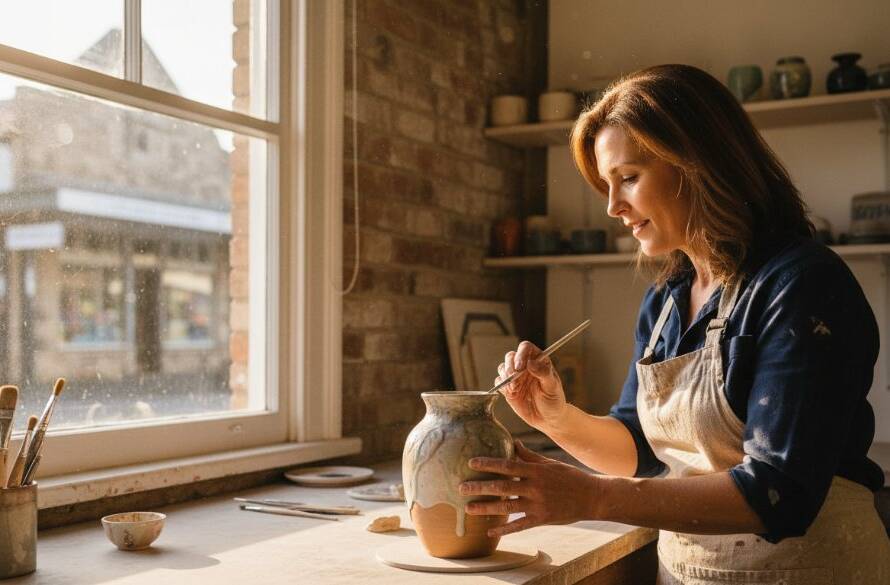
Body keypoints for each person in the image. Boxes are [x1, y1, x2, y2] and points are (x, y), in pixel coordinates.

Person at [460, 64, 890, 583]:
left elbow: (780, 492)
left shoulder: (802, 286)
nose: (614, 206)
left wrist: (591, 495)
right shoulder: (667, 300)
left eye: (628, 178)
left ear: (697, 163)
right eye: (606, 185)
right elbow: (640, 451)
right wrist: (557, 418)